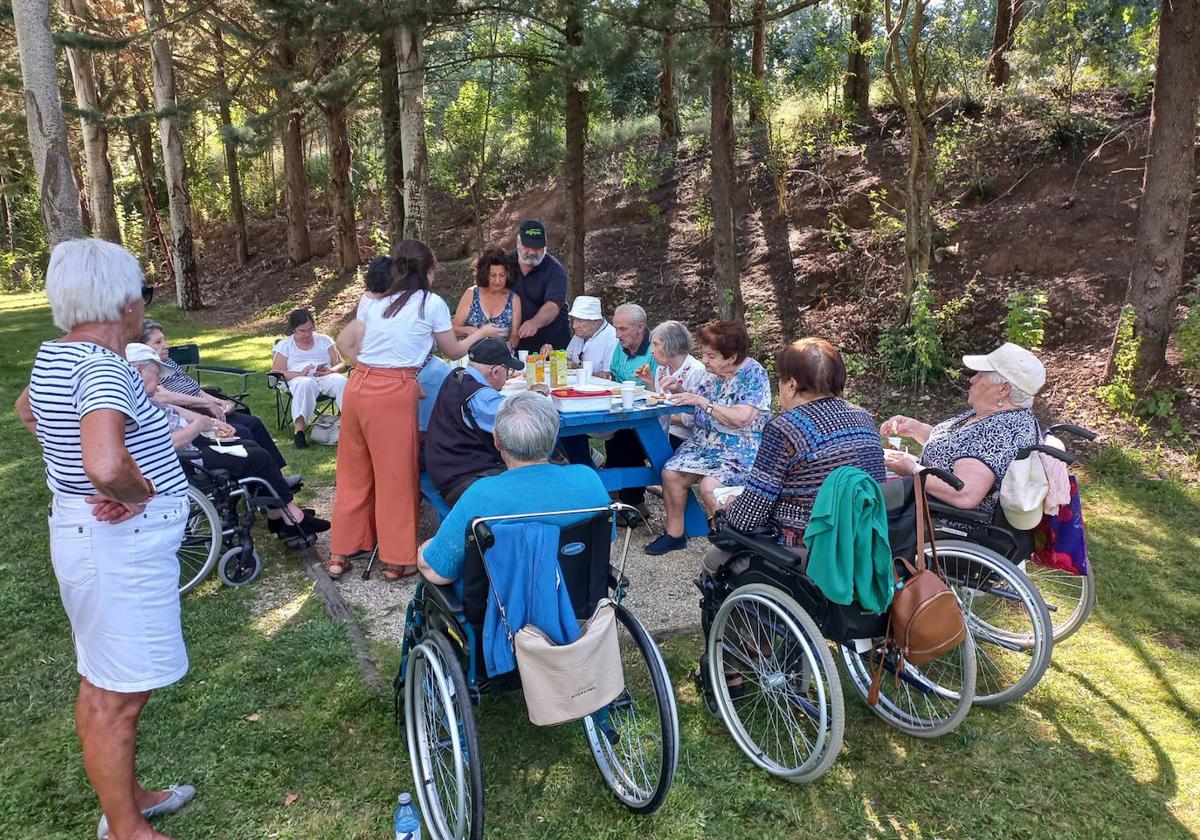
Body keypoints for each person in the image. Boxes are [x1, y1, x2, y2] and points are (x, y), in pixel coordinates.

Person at [16, 238, 196, 840]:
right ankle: (126, 828)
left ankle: (129, 798)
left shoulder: (56, 356)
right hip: (121, 546)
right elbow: (105, 462)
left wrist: (72, 468)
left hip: (89, 538)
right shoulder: (101, 367)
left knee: (105, 681)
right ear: (123, 303)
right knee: (119, 694)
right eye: (141, 294)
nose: (142, 306)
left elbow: (27, 409)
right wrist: (134, 493)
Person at [329, 240, 503, 582]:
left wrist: (383, 372)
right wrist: (481, 332)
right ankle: (397, 560)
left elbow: (353, 345)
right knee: (396, 477)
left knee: (353, 473)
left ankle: (340, 553)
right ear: (428, 271)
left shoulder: (374, 300)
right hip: (392, 393)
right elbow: (453, 351)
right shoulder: (431, 303)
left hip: (358, 385)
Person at [705, 338, 886, 573]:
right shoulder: (863, 417)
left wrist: (729, 506)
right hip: (862, 542)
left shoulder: (785, 428)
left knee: (713, 562)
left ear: (791, 385)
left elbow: (748, 516)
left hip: (805, 548)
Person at [126, 343, 329, 541]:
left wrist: (210, 422)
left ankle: (278, 515)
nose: (159, 385)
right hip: (188, 460)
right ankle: (292, 519)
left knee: (247, 443)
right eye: (156, 377)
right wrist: (199, 424)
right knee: (257, 457)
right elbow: (167, 444)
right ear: (138, 371)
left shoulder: (143, 398)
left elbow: (177, 412)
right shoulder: (136, 406)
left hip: (190, 447)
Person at [418, 392, 610, 591]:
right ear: (554, 438)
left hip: (501, 612)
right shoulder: (588, 479)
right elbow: (607, 550)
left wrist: (424, 552)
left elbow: (438, 572)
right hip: (575, 602)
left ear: (497, 440)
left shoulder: (482, 495)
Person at [647, 321, 772, 555]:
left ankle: (729, 546)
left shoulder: (753, 374)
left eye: (711, 356)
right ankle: (675, 534)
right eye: (703, 354)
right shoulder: (712, 373)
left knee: (710, 487)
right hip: (706, 442)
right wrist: (677, 390)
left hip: (740, 447)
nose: (704, 361)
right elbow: (696, 401)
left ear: (732, 357)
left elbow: (741, 418)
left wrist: (701, 402)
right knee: (670, 472)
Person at [882, 342, 1043, 514]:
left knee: (858, 499)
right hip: (924, 501)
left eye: (981, 376)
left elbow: (965, 494)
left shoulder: (1001, 430)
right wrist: (916, 428)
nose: (972, 379)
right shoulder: (989, 414)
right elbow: (956, 446)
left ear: (1004, 389)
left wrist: (913, 470)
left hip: (942, 521)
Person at [141, 319, 287, 468]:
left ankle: (276, 474)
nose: (166, 345)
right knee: (242, 432)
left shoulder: (169, 363)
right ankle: (262, 479)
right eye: (158, 342)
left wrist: (218, 402)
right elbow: (163, 397)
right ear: (142, 347)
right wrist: (206, 404)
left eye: (164, 340)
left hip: (204, 408)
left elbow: (195, 389)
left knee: (253, 423)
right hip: (191, 412)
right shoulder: (149, 372)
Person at [425, 338, 524, 504]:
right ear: (495, 371)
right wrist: (539, 397)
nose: (507, 378)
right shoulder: (481, 397)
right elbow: (521, 425)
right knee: (534, 482)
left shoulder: (457, 376)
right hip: (464, 480)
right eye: (508, 371)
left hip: (445, 470)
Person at [365, 254, 450, 435]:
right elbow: (452, 350)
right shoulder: (384, 305)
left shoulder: (375, 303)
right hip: (407, 379)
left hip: (380, 384)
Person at [599, 304, 659, 521]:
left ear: (640, 328)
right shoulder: (620, 348)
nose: (617, 335)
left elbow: (659, 392)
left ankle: (631, 501)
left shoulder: (655, 350)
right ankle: (617, 496)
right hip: (624, 410)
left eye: (622, 329)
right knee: (610, 431)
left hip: (651, 416)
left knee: (625, 437)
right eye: (616, 328)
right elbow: (614, 377)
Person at [271, 308, 348, 449]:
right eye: (303, 331)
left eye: (310, 329)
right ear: (294, 330)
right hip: (297, 379)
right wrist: (299, 373)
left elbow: (341, 364)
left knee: (341, 381)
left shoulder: (325, 340)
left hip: (323, 376)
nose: (307, 334)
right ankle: (299, 431)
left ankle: (348, 425)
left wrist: (330, 370)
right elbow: (277, 371)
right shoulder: (285, 345)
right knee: (306, 384)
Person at [636, 320, 707, 447]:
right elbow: (659, 400)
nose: (652, 351)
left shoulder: (696, 371)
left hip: (685, 437)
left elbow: (692, 420)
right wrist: (650, 383)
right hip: (664, 430)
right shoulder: (662, 369)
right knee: (623, 438)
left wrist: (661, 415)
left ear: (670, 345)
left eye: (656, 345)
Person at [511, 219, 571, 352]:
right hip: (514, 340)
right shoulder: (503, 265)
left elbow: (553, 305)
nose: (532, 252)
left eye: (537, 248)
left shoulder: (555, 270)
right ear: (517, 243)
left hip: (550, 342)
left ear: (545, 246)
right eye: (527, 246)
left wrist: (535, 322)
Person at [453, 248, 523, 343]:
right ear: (485, 274)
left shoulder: (514, 299)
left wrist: (507, 348)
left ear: (508, 275)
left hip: (501, 354)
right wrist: (471, 331)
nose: (497, 281)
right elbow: (454, 329)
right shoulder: (472, 293)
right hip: (470, 353)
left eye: (502, 275)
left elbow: (514, 337)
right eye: (493, 275)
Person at [555, 295, 617, 374]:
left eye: (580, 321)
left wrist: (578, 368)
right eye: (574, 320)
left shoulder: (612, 338)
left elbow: (609, 376)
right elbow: (567, 358)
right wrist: (554, 354)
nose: (574, 326)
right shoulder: (581, 333)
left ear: (596, 320)